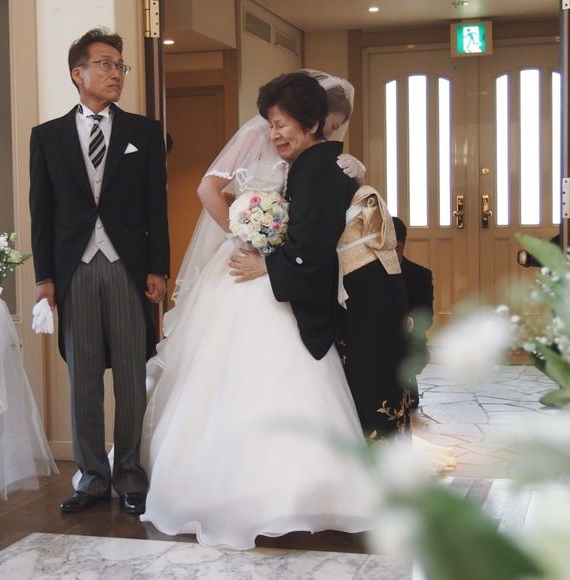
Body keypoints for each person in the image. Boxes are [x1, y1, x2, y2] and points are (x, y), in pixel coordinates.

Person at [139, 72, 376, 549]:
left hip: (277, 279)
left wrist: (268, 260)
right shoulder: (301, 165)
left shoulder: (320, 169)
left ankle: (294, 493)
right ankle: (235, 490)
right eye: (271, 124)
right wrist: (247, 234)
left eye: (282, 123)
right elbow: (221, 193)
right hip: (256, 274)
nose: (274, 133)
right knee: (226, 379)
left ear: (313, 123)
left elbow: (312, 243)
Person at [29, 28, 170, 515]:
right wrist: (45, 278)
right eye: (106, 64)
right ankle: (91, 478)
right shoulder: (47, 136)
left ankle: (129, 474)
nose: (116, 73)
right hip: (76, 271)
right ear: (78, 73)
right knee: (83, 377)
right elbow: (42, 213)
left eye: (120, 66)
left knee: (131, 375)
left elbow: (156, 208)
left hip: (127, 267)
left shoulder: (144, 133)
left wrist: (158, 267)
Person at [393, 217, 434, 410]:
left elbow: (426, 315)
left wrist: (405, 324)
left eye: (397, 248)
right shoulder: (368, 275)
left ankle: (407, 381)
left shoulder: (420, 275)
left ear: (403, 245)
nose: (392, 254)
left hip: (406, 335)